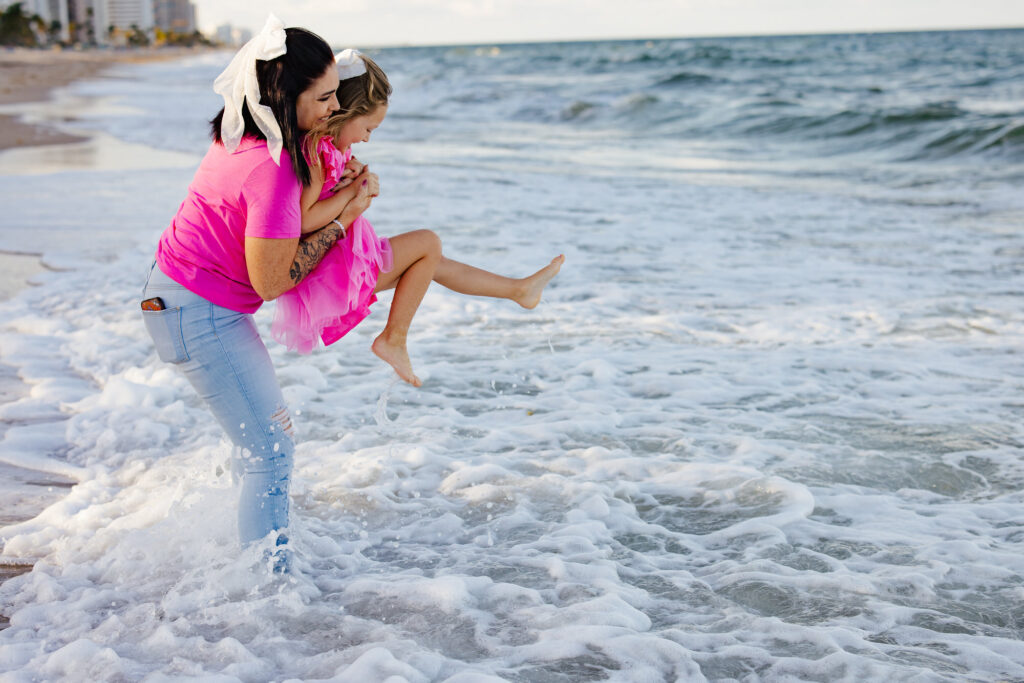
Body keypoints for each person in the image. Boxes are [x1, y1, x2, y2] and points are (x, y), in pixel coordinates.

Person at [139, 16, 369, 564]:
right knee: (271, 449)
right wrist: (342, 222)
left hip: (186, 300)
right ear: (284, 98)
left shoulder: (246, 133)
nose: (335, 109)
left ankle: (241, 562)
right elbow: (272, 279)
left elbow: (279, 230)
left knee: (261, 446)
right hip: (199, 313)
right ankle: (265, 588)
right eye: (324, 98)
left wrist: (341, 197)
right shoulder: (269, 168)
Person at [271, 49, 566, 387]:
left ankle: (518, 290)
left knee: (430, 260)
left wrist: (347, 179)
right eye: (368, 127)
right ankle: (394, 338)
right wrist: (347, 194)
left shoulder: (331, 152)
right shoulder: (315, 154)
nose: (367, 137)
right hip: (330, 272)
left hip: (340, 259)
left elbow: (322, 199)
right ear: (346, 112)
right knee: (428, 243)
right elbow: (305, 220)